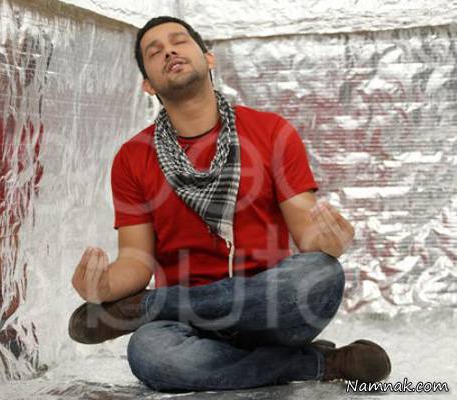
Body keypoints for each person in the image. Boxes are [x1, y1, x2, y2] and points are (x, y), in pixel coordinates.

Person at [68, 16, 391, 392]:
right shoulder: (132, 157)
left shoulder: (272, 131)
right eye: (154, 52)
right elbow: (135, 261)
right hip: (190, 328)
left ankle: (152, 306)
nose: (169, 51)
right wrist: (105, 286)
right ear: (148, 85)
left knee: (321, 272)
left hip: (270, 309)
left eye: (179, 41)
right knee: (151, 354)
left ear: (209, 58)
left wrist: (331, 241)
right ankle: (319, 362)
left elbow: (308, 235)